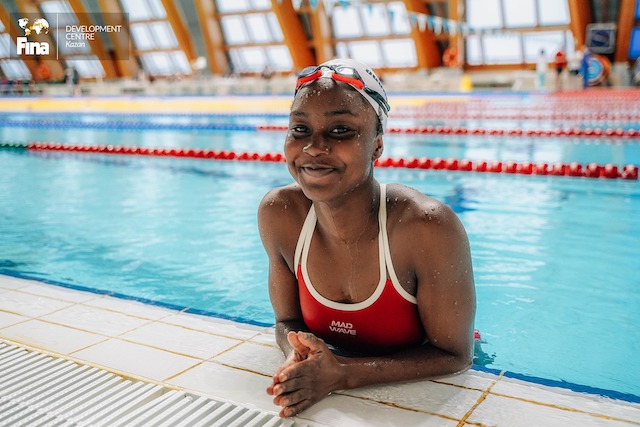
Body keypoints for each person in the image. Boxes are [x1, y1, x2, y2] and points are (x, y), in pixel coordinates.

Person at [258, 58, 476, 418]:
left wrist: (341, 374)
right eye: (300, 129)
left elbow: (455, 355)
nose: (314, 147)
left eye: (340, 130)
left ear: (377, 146)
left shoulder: (426, 227)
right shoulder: (279, 214)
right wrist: (297, 353)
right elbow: (286, 322)